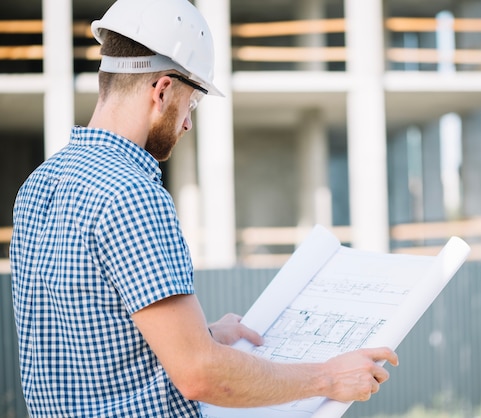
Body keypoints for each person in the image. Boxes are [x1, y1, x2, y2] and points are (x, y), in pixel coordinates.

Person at [10, 0, 398, 416]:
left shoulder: (40, 184)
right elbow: (201, 375)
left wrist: (206, 334)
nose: (188, 124)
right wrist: (328, 377)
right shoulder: (131, 195)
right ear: (161, 90)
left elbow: (88, 337)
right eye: (190, 104)